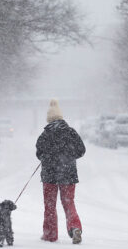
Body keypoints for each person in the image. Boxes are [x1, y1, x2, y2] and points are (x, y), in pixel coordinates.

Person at [36, 99, 86, 244]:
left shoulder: (45, 135)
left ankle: (50, 234)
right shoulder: (71, 132)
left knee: (50, 205)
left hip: (49, 175)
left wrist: (48, 158)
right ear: (61, 117)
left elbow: (39, 153)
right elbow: (81, 150)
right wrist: (68, 157)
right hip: (68, 173)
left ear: (49, 119)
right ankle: (75, 227)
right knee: (69, 203)